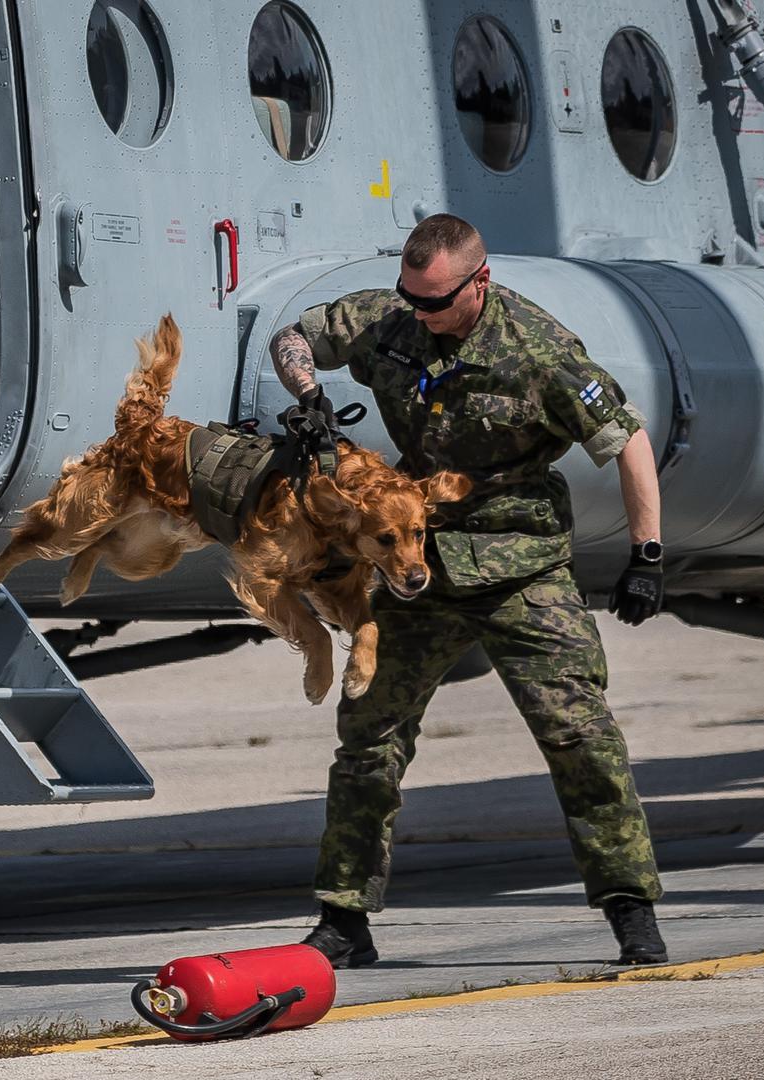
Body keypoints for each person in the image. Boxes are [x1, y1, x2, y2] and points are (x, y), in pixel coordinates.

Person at [269, 213, 667, 968]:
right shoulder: (391, 320)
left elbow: (627, 440)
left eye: (435, 301)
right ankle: (343, 920)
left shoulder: (539, 351)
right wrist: (308, 390)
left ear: (478, 283)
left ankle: (631, 910)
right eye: (409, 297)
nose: (419, 312)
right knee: (369, 738)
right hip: (417, 564)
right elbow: (293, 336)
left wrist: (645, 554)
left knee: (579, 736)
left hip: (520, 565)